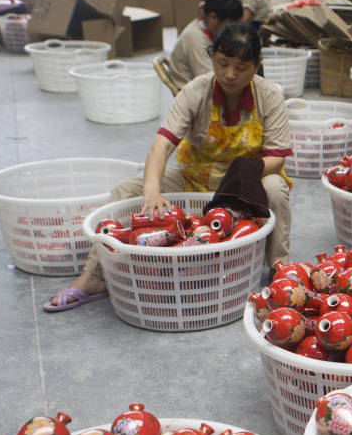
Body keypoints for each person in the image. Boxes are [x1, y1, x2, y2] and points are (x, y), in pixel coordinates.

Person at [44, 23, 294, 312]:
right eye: (223, 63)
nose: (230, 74)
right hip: (195, 180)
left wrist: (242, 172)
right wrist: (151, 191)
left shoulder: (268, 97)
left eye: (241, 67)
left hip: (243, 188)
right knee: (129, 189)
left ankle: (280, 271)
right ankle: (95, 276)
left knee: (275, 187)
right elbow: (162, 145)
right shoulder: (196, 91)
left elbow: (277, 158)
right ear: (212, 57)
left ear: (257, 66)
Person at [165, 0, 243, 88]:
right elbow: (209, 80)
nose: (232, 31)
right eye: (229, 25)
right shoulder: (195, 38)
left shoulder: (206, 29)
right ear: (213, 18)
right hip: (194, 95)